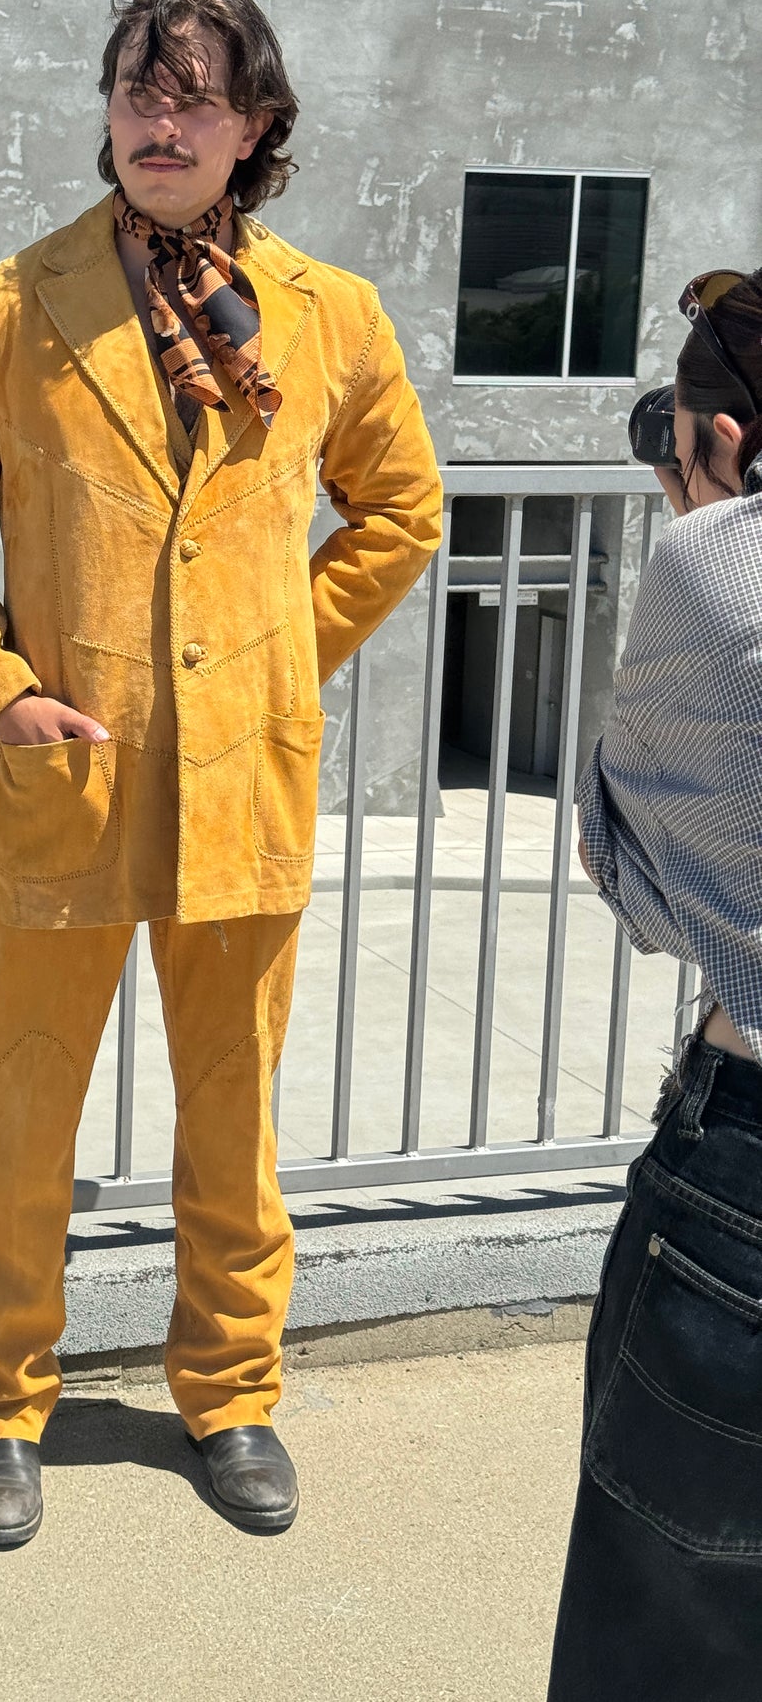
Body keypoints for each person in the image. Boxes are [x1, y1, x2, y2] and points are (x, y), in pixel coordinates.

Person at [0, 0, 443, 1549]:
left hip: (239, 783)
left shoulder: (330, 318)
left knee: (231, 1114)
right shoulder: (3, 311)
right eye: (139, 89)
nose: (159, 121)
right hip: (71, 775)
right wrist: (1, 691)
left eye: (194, 97)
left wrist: (275, 662)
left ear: (254, 124)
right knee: (19, 1116)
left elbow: (399, 512)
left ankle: (231, 1393)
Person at [548, 268, 762, 1699]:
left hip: (748, 1174)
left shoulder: (716, 565)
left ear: (723, 442)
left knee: (666, 1641)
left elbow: (633, 870)